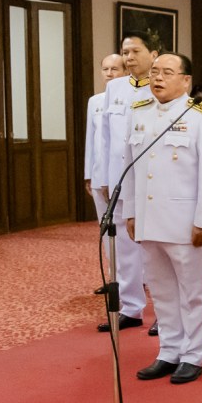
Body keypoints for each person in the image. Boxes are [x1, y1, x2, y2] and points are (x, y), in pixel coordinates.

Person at [124, 53, 202, 384]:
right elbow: (133, 168)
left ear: (186, 81)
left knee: (192, 292)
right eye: (155, 72)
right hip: (150, 220)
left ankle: (193, 354)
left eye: (168, 72)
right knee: (162, 291)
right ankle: (169, 350)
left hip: (184, 222)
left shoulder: (201, 117)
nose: (158, 77)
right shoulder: (139, 114)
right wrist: (131, 211)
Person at [94, 31, 158, 333]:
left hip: (150, 181)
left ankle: (166, 314)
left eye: (135, 52)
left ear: (153, 54)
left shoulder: (161, 85)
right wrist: (104, 177)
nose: (129, 58)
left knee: (156, 248)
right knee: (123, 247)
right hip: (119, 179)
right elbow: (106, 136)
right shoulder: (115, 88)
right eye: (125, 52)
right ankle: (131, 308)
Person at [84, 54, 124, 278]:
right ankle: (113, 276)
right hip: (99, 175)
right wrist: (88, 175)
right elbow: (92, 140)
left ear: (125, 72)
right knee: (105, 228)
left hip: (119, 177)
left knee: (125, 232)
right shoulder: (95, 101)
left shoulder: (131, 99)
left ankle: (136, 277)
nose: (109, 74)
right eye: (105, 69)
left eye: (115, 69)